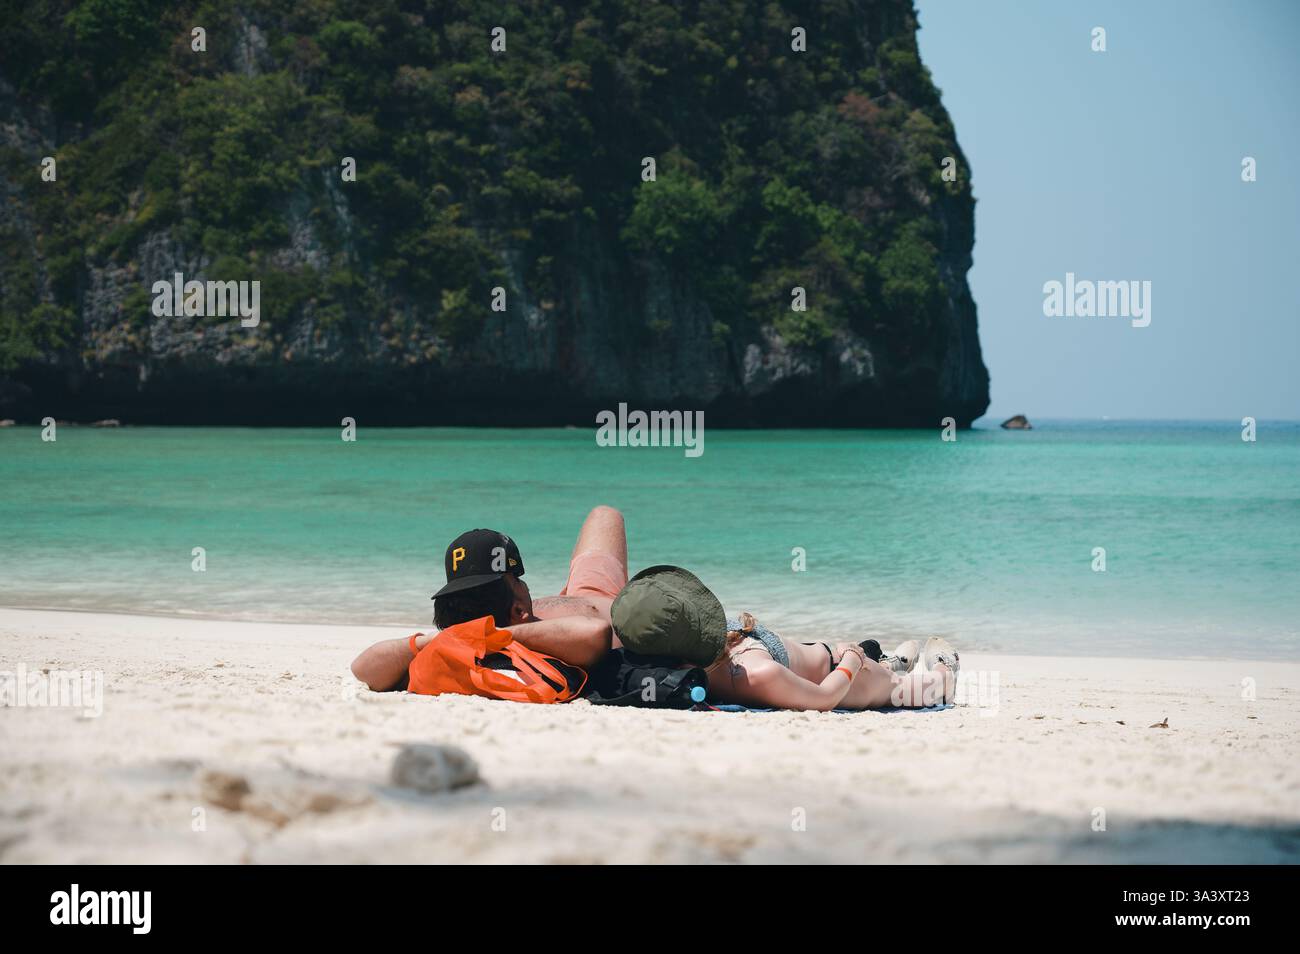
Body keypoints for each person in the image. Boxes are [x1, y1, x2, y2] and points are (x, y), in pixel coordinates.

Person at [350, 506, 629, 691]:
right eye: (517, 580)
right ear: (519, 610)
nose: (524, 584)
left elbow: (362, 669)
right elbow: (595, 632)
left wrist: (462, 635)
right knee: (605, 515)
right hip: (609, 597)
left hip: (570, 598)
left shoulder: (468, 642)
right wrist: (488, 636)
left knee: (604, 516)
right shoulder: (562, 640)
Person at [610, 565, 959, 711]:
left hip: (817, 655)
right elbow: (823, 699)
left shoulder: (665, 653)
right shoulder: (752, 673)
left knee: (879, 663)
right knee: (910, 692)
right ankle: (942, 673)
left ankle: (890, 662)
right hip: (841, 678)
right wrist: (851, 659)